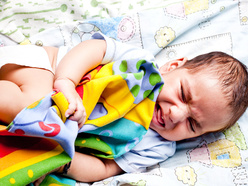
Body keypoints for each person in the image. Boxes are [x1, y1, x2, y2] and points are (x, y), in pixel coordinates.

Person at [0, 33, 247, 184]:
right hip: (46, 69)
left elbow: (106, 169)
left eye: (192, 124)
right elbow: (93, 50)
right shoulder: (141, 67)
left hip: (48, 127)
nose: (176, 114)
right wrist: (66, 82)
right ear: (172, 66)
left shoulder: (158, 148)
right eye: (183, 95)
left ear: (199, 136)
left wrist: (59, 161)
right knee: (33, 104)